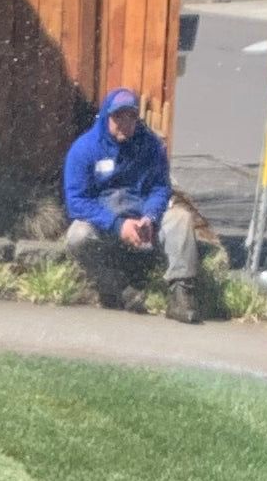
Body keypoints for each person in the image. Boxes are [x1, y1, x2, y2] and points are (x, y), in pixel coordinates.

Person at [60, 87, 201, 317]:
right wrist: (118, 225)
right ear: (106, 117)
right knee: (78, 236)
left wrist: (150, 217)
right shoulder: (84, 149)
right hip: (105, 226)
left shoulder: (152, 147)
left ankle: (181, 295)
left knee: (181, 218)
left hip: (144, 223)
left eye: (131, 116)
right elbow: (77, 202)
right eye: (118, 117)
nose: (125, 123)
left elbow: (160, 187)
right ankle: (117, 288)